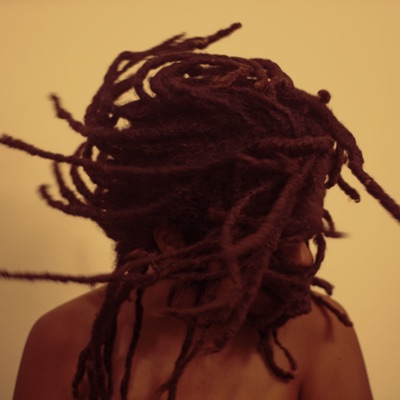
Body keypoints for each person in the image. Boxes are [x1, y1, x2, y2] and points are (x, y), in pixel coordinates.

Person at [1, 22, 397, 400]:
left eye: (305, 237)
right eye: (271, 246)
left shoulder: (318, 332)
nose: (304, 261)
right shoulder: (65, 338)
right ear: (173, 242)